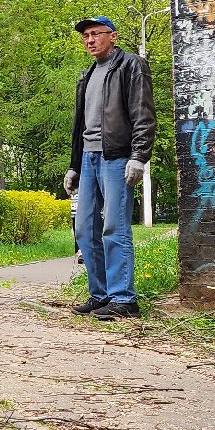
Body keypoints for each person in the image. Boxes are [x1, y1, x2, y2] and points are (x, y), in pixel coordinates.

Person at [65, 16, 156, 319]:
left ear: (113, 36)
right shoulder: (87, 74)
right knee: (85, 228)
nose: (89, 40)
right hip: (89, 160)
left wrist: (139, 156)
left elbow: (143, 113)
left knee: (114, 227)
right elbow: (81, 126)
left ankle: (124, 299)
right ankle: (101, 294)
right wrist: (74, 165)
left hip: (117, 158)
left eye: (95, 34)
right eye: (85, 36)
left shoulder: (131, 65)